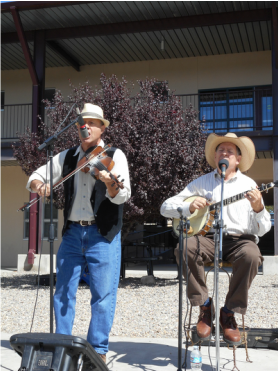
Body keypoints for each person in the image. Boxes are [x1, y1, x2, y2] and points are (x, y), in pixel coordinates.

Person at [26, 103, 131, 363]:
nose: (87, 126)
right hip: (73, 232)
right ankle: (63, 347)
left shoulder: (114, 155)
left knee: (103, 294)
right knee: (63, 291)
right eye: (83, 123)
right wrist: (40, 185)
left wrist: (110, 184)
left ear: (102, 127)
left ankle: (98, 352)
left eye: (93, 123)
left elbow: (123, 196)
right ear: (78, 128)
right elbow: (36, 175)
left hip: (103, 234)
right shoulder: (67, 156)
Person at [160, 132, 271, 345]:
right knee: (185, 245)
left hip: (240, 240)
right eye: (221, 150)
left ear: (238, 159)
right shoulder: (200, 183)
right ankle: (204, 307)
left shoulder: (250, 184)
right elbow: (165, 207)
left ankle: (228, 313)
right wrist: (188, 206)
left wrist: (258, 208)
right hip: (208, 238)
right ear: (215, 155)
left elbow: (263, 229)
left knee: (251, 255)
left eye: (230, 151)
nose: (225, 153)